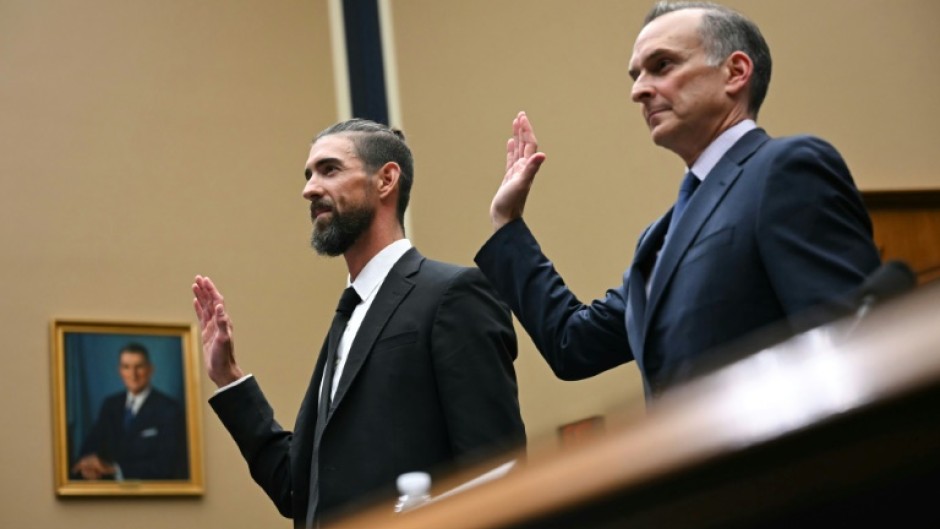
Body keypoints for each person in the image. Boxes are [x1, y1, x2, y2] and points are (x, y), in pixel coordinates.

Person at [475, 1, 881, 401]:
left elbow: (850, 343)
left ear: (735, 72)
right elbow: (573, 345)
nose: (638, 91)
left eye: (662, 66)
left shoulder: (786, 170)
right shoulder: (660, 238)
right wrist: (507, 221)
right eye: (636, 76)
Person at [192, 118, 525, 527]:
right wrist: (228, 379)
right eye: (308, 174)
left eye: (329, 170)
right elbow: (298, 492)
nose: (309, 189)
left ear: (386, 180)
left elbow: (498, 475)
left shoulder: (453, 295)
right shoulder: (349, 318)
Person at [72, 342, 188, 480]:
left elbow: (167, 464)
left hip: (150, 494)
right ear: (120, 371)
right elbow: (92, 445)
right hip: (109, 493)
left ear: (150, 369)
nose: (133, 374)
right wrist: (89, 465)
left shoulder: (169, 409)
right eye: (126, 367)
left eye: (139, 367)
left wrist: (115, 470)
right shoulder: (110, 405)